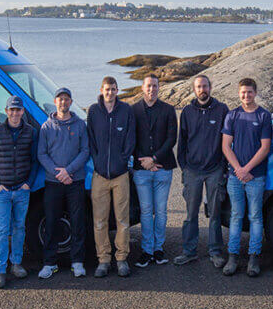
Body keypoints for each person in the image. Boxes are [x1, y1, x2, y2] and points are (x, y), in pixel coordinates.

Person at [174, 75, 230, 267]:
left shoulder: (222, 110)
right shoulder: (187, 112)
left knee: (215, 213)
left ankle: (215, 252)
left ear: (210, 87)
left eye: (205, 86)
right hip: (193, 170)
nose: (202, 89)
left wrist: (223, 168)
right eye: (198, 86)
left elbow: (228, 140)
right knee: (191, 214)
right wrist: (185, 167)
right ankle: (189, 251)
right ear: (194, 89)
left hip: (215, 169)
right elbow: (181, 143)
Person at [36, 88, 90, 279]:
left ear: (70, 102)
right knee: (51, 222)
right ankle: (49, 264)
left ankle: (77, 262)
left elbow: (85, 151)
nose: (63, 102)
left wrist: (69, 171)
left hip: (75, 181)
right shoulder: (46, 127)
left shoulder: (79, 125)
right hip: (53, 182)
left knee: (77, 222)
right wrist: (58, 173)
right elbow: (41, 154)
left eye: (67, 99)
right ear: (55, 101)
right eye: (60, 99)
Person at [221, 78, 273, 277]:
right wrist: (238, 169)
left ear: (255, 92)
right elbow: (226, 146)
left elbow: (265, 147)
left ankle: (254, 258)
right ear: (239, 93)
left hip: (256, 176)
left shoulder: (263, 116)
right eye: (243, 92)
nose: (246, 96)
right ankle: (232, 257)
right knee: (236, 216)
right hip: (235, 176)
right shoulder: (232, 115)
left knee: (255, 217)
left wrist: (247, 169)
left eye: (249, 92)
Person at [87, 76, 135, 278]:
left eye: (113, 89)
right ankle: (103, 259)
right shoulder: (93, 111)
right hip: (99, 175)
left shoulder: (126, 111)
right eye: (107, 89)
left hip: (120, 175)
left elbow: (130, 139)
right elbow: (91, 140)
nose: (110, 92)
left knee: (122, 219)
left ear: (117, 90)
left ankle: (122, 258)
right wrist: (98, 161)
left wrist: (122, 160)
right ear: (101, 90)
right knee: (99, 220)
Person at [0, 96, 34, 289]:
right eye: (11, 110)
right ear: (6, 111)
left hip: (22, 190)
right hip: (2, 191)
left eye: (18, 110)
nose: (15, 113)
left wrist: (28, 183)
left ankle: (17, 263)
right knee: (2, 230)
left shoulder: (31, 132)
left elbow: (35, 160)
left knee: (19, 227)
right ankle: (0, 270)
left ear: (23, 111)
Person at [131, 75, 177, 267]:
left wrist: (155, 159)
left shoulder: (168, 110)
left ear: (159, 88)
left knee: (161, 211)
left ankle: (158, 249)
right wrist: (144, 162)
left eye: (155, 86)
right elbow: (130, 139)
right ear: (142, 88)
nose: (152, 89)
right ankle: (147, 250)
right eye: (148, 86)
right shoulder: (132, 110)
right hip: (141, 169)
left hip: (163, 168)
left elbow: (171, 138)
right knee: (146, 211)